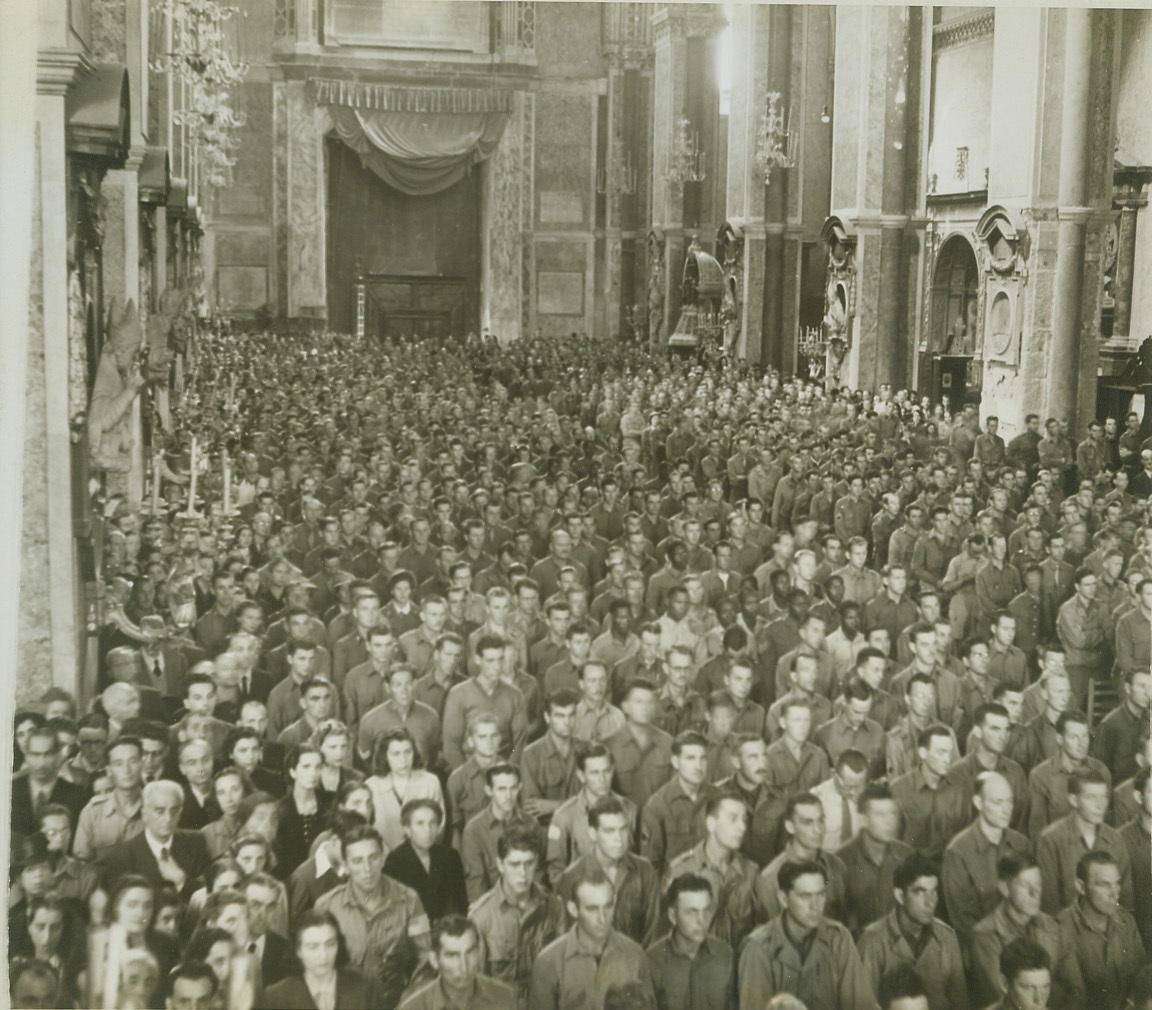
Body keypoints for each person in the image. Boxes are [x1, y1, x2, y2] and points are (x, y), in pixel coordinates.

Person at [314, 824, 429, 1006]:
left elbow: (424, 960)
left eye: (373, 858)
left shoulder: (409, 901)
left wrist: (408, 1003)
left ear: (383, 858)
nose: (367, 868)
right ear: (345, 865)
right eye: (358, 861)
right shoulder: (327, 906)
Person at [737, 859, 873, 1010]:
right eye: (805, 896)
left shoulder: (838, 938)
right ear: (783, 899)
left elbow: (862, 1005)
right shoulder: (758, 948)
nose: (815, 906)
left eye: (820, 895)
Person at [856, 853, 968, 1010]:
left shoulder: (946, 937)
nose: (930, 902)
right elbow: (863, 1006)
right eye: (920, 892)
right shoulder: (873, 941)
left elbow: (961, 1004)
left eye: (934, 892)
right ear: (900, 896)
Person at [470, 824, 567, 1004]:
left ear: (537, 862)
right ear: (500, 864)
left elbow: (563, 972)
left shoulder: (554, 907)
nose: (522, 873)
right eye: (514, 864)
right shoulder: (480, 917)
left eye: (528, 863)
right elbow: (476, 986)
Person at [530, 876, 655, 1010]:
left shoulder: (635, 954)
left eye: (608, 906)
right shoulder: (548, 961)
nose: (602, 918)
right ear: (573, 909)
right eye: (592, 909)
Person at [555, 796, 661, 946]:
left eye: (623, 829)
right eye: (609, 831)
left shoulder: (644, 871)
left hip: (634, 963)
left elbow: (652, 933)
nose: (618, 839)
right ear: (593, 833)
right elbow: (568, 939)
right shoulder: (572, 878)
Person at [662, 792, 765, 946]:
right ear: (711, 823)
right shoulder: (682, 870)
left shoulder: (750, 872)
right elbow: (666, 933)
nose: (742, 827)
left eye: (744, 820)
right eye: (733, 819)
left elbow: (765, 927)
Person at [941, 771, 1031, 940]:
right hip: (982, 947)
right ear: (978, 802)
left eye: (1010, 802)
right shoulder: (958, 852)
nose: (1006, 810)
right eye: (998, 802)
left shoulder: (1021, 844)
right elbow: (964, 922)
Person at [1053, 851, 1145, 1010]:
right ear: (1081, 887)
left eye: (1117, 883)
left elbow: (1143, 981)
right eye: (1104, 885)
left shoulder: (1126, 922)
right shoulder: (1060, 930)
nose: (1115, 893)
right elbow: (1071, 999)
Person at [968, 854, 1061, 1008]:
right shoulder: (984, 935)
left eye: (1038, 884)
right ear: (1005, 888)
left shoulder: (1052, 926)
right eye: (1025, 885)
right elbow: (1004, 993)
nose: (1034, 893)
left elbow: (1072, 987)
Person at [1036, 769, 1133, 915]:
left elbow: (1125, 900)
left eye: (1103, 797)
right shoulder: (1051, 840)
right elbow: (1049, 906)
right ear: (1074, 800)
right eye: (1091, 797)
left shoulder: (1115, 839)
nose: (1100, 805)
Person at [102, 779, 212, 900]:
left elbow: (209, 896)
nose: (168, 818)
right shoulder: (121, 857)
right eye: (160, 811)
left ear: (180, 812)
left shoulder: (196, 842)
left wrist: (181, 880)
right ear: (144, 813)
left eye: (174, 811)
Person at [546, 742, 638, 881]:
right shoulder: (564, 816)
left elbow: (636, 861)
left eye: (606, 771)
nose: (602, 779)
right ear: (582, 776)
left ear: (613, 770)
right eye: (594, 773)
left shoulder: (629, 809)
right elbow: (556, 873)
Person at [645, 873, 737, 1010]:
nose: (701, 921)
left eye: (706, 911)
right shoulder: (652, 960)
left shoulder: (724, 954)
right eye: (692, 912)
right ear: (672, 916)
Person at [261, 909, 383, 1009]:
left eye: (330, 944)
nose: (324, 955)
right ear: (298, 951)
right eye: (313, 947)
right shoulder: (277, 996)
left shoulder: (366, 987)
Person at [837, 784, 912, 938]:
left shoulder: (906, 855)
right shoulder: (841, 861)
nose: (890, 822)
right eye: (880, 815)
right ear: (864, 820)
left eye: (893, 814)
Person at [399, 914, 518, 1010]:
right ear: (435, 960)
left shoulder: (505, 998)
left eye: (470, 953)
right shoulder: (413, 1007)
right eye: (452, 956)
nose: (464, 967)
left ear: (479, 953)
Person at [364, 727, 444, 852]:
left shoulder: (430, 781)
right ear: (384, 756)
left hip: (423, 855)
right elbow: (367, 828)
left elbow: (439, 823)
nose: (403, 759)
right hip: (384, 859)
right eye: (396, 754)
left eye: (408, 752)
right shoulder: (371, 786)